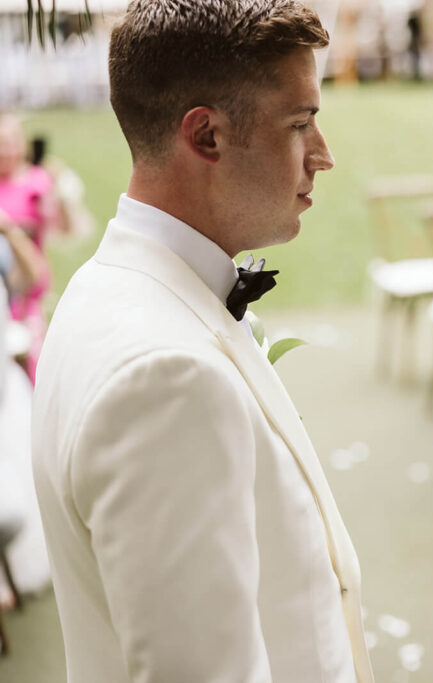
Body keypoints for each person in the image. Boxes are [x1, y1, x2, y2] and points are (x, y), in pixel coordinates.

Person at [32, 2, 373, 682]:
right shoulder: (163, 378)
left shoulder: (108, 285)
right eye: (300, 123)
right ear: (207, 135)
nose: (323, 155)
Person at [0, 112, 58, 382]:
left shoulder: (37, 182)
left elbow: (61, 228)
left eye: (11, 140)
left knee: (34, 380)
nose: (7, 148)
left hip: (26, 301)